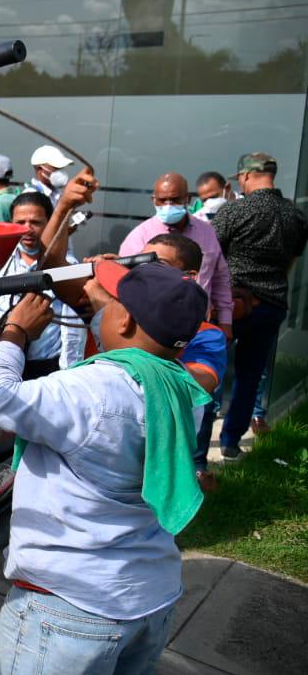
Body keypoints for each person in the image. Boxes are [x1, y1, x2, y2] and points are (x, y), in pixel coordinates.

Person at [0, 261, 211, 675]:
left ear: (128, 319)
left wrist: (16, 331)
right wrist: (104, 310)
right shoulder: (182, 389)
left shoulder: (89, 392)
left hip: (70, 611)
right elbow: (133, 349)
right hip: (148, 597)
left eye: (113, 302)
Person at [210, 153, 308, 453]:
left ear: (246, 176)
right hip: (272, 303)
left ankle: (198, 453)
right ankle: (230, 442)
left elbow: (212, 256)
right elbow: (290, 261)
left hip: (233, 303)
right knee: (251, 375)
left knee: (208, 370)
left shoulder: (235, 211)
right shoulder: (296, 216)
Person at [0, 191, 85, 378]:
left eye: (36, 222)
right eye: (20, 222)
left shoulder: (66, 266)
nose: (27, 229)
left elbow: (73, 333)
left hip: (44, 371)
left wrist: (69, 376)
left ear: (49, 224)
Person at [143, 233, 228, 490]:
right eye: (141, 262)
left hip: (166, 446)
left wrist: (140, 361)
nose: (146, 272)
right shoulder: (121, 311)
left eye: (159, 265)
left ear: (189, 276)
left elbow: (204, 380)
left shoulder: (205, 333)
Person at [118, 172, 233, 338]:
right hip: (154, 331)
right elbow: (125, 283)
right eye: (162, 200)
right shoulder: (140, 237)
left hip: (199, 328)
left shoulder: (206, 232)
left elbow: (220, 278)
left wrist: (225, 322)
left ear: (187, 198)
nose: (168, 205)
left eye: (175, 199)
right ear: (153, 200)